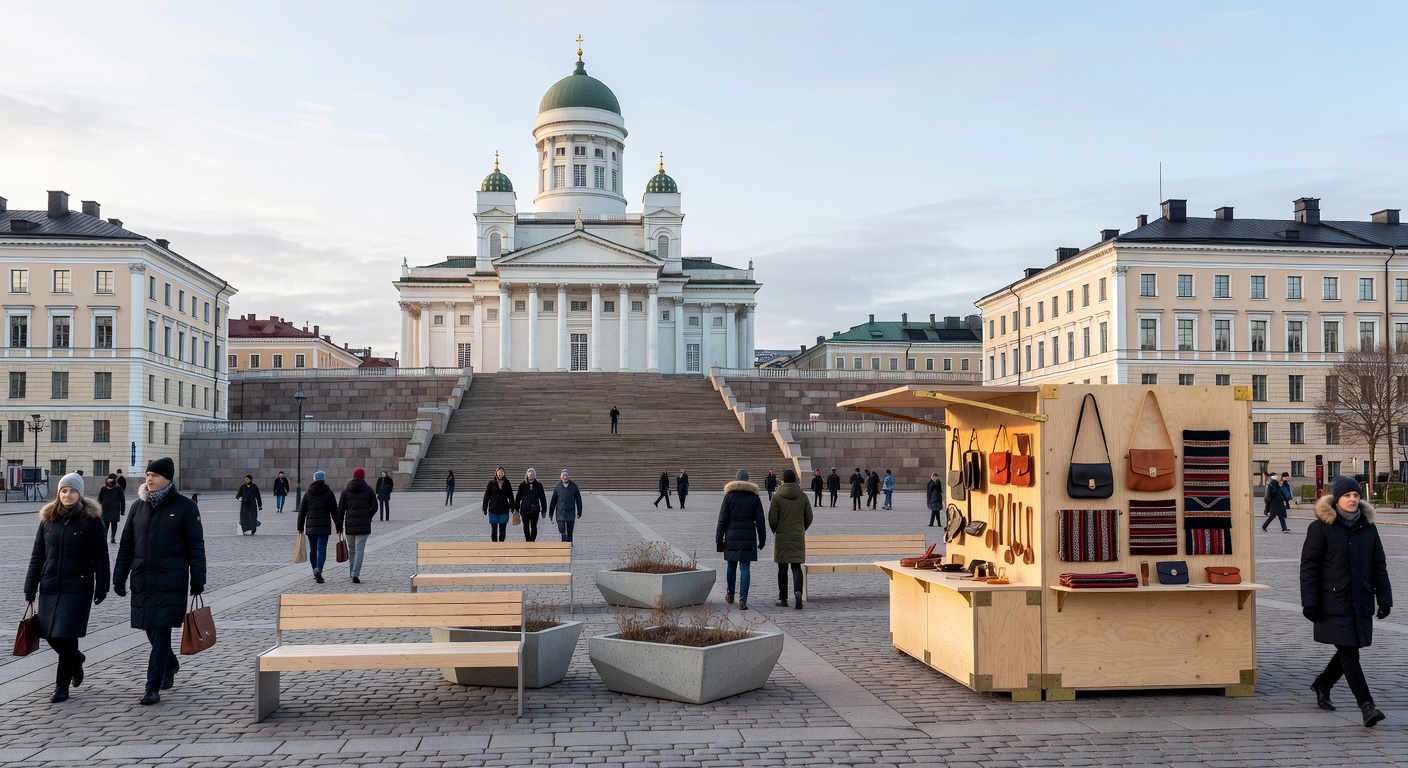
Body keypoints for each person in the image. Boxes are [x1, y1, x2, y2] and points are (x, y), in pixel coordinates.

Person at [111, 457, 206, 706]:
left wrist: (198, 579)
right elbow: (126, 545)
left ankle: (152, 686)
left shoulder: (185, 506)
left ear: (168, 479)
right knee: (150, 628)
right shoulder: (137, 506)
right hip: (142, 577)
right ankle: (171, 663)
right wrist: (119, 576)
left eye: (154, 475)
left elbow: (196, 546)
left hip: (170, 579)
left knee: (161, 630)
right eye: (147, 475)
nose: (149, 479)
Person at [1301, 476, 1393, 727]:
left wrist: (1385, 597)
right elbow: (1309, 567)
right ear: (1336, 499)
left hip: (1361, 597)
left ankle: (1322, 684)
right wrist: (1310, 601)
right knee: (1349, 653)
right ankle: (1367, 705)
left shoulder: (1368, 527)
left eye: (1356, 495)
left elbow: (1378, 565)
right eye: (1347, 496)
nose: (1353, 499)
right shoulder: (1320, 528)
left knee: (1348, 649)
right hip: (1333, 600)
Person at [24, 472, 109, 703]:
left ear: (79, 493)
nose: (67, 495)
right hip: (50, 584)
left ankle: (61, 687)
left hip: (78, 585)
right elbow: (37, 555)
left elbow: (101, 556)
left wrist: (102, 585)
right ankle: (76, 659)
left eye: (72, 491)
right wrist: (30, 586)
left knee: (67, 635)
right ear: (58, 493)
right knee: (49, 633)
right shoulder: (48, 520)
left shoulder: (91, 520)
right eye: (63, 490)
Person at [716, 469, 766, 610]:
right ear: (748, 480)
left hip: (731, 535)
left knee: (731, 566)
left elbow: (722, 520)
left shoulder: (729, 496)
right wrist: (762, 539)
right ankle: (743, 599)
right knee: (745, 568)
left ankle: (730, 594)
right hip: (748, 536)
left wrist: (719, 539)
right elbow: (760, 521)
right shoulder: (754, 497)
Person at [768, 469, 813, 610]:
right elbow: (809, 516)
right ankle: (798, 593)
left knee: (782, 567)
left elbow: (772, 518)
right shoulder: (802, 496)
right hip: (797, 535)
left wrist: (776, 529)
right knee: (796, 566)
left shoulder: (777, 496)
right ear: (795, 480)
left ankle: (783, 598)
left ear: (783, 480)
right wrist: (801, 528)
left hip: (782, 535)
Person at [297, 470, 341, 583]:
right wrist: (339, 527)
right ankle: (319, 569)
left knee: (313, 549)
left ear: (314, 479)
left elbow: (302, 512)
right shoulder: (329, 493)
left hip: (311, 526)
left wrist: (300, 527)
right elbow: (334, 511)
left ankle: (314, 570)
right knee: (321, 549)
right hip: (324, 526)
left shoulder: (308, 494)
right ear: (324, 479)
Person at [337, 468, 376, 583]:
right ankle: (355, 573)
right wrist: (368, 516)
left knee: (352, 549)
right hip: (364, 525)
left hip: (350, 524)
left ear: (353, 476)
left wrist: (339, 526)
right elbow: (375, 507)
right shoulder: (368, 490)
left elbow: (340, 510)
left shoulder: (346, 490)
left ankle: (352, 573)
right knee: (359, 549)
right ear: (363, 476)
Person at [548, 469, 583, 542]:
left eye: (566, 475)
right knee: (562, 530)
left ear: (569, 477)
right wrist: (550, 513)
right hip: (560, 513)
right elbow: (553, 501)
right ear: (561, 477)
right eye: (563, 475)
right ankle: (563, 544)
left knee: (570, 532)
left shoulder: (574, 486)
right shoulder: (558, 487)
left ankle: (569, 545)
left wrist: (579, 511)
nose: (565, 477)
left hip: (570, 512)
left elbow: (578, 500)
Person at [483, 467, 514, 543]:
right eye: (499, 472)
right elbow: (486, 496)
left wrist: (513, 507)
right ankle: (494, 545)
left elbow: (511, 496)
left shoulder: (507, 483)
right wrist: (484, 508)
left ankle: (501, 544)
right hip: (493, 509)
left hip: (504, 509)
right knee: (494, 529)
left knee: (503, 529)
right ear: (496, 473)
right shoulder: (491, 483)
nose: (500, 474)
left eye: (502, 472)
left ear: (504, 473)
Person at [516, 468, 546, 542]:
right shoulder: (522, 485)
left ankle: (532, 541)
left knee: (533, 526)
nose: (531, 477)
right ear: (527, 475)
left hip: (534, 510)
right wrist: (516, 509)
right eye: (529, 475)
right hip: (525, 509)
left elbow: (542, 498)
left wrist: (544, 509)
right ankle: (528, 541)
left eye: (532, 475)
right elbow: (518, 497)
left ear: (534, 475)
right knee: (525, 526)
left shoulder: (538, 485)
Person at [98, 473, 126, 543]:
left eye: (111, 479)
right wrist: (98, 509)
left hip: (115, 509)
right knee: (105, 524)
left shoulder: (119, 488)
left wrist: (122, 510)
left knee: (114, 524)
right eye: (109, 479)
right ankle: (105, 537)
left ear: (114, 480)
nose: (110, 480)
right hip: (105, 509)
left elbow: (122, 500)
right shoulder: (103, 489)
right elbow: (99, 499)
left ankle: (113, 537)